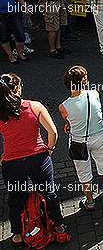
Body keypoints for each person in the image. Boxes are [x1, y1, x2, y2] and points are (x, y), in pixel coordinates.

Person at [0, 73, 70, 245]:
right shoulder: (34, 106)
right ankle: (59, 226)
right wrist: (50, 149)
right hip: (38, 158)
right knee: (48, 192)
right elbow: (53, 132)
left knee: (16, 197)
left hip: (12, 163)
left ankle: (17, 233)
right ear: (17, 88)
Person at [58, 66, 103, 210]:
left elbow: (69, 122)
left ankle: (90, 201)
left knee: (84, 173)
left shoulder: (64, 106)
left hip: (79, 141)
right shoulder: (94, 94)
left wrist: (68, 125)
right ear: (83, 82)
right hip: (99, 137)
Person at [0, 0, 27, 64]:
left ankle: (20, 54)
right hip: (1, 14)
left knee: (20, 35)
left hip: (13, 12)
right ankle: (11, 56)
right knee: (4, 36)